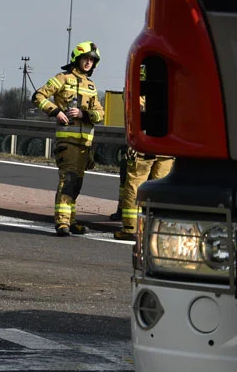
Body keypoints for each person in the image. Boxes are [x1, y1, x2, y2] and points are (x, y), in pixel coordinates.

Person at [32, 41, 105, 237]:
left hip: (85, 145)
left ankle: (71, 221)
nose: (88, 62)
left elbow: (100, 113)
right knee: (68, 180)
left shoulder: (91, 86)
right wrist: (56, 111)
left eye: (92, 60)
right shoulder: (62, 78)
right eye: (85, 59)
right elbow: (38, 96)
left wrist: (84, 114)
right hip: (68, 142)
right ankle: (62, 222)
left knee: (77, 183)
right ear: (77, 59)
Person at [115, 77, 174, 240]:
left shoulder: (137, 87)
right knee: (161, 188)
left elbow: (135, 113)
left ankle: (130, 229)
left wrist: (133, 142)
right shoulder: (174, 87)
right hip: (166, 145)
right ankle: (157, 230)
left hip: (146, 144)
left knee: (135, 185)